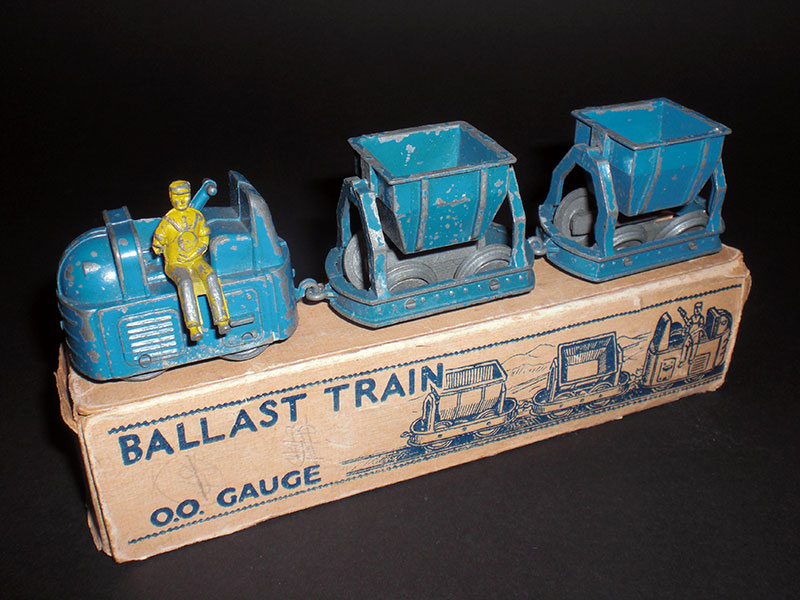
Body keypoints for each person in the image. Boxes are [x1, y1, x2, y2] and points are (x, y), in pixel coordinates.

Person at [152, 180, 230, 341]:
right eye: (177, 197)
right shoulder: (167, 223)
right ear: (171, 198)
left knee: (211, 276)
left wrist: (195, 252)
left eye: (185, 196)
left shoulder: (196, 217)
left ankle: (222, 320)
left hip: (196, 260)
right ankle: (193, 326)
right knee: (185, 282)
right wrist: (160, 247)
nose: (182, 201)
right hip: (175, 264)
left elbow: (204, 238)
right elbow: (157, 245)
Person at [678, 302, 704, 367]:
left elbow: (701, 327)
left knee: (694, 347)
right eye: (696, 308)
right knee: (685, 345)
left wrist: (695, 332)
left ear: (701, 309)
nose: (697, 310)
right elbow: (688, 323)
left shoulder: (701, 318)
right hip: (690, 334)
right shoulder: (693, 317)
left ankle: (691, 360)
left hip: (696, 334)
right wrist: (684, 330)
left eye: (698, 308)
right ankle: (682, 361)